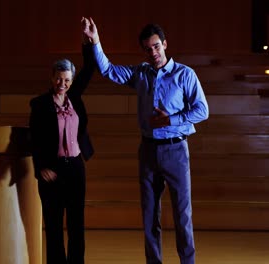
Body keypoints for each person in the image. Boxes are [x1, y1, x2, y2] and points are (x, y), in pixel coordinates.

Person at [82, 17, 209, 264]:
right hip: (149, 151)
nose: (153, 52)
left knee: (183, 215)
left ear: (165, 44)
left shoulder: (185, 74)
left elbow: (202, 110)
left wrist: (171, 120)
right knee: (150, 214)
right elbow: (108, 70)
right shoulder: (140, 73)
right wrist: (95, 41)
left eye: (156, 46)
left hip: (176, 150)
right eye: (147, 49)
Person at [28, 18, 95, 264]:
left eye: (67, 80)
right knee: (54, 225)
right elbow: (34, 139)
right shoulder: (39, 105)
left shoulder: (74, 97)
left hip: (76, 167)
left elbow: (89, 70)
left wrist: (89, 43)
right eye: (59, 79)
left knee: (77, 225)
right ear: (51, 77)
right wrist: (40, 167)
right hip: (52, 170)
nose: (62, 84)